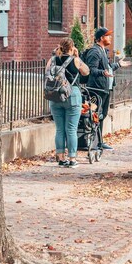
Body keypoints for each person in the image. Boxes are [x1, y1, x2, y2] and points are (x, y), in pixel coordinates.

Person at [83, 27, 131, 151]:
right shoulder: (95, 51)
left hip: (104, 89)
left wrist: (118, 65)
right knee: (95, 115)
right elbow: (91, 70)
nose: (110, 38)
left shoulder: (103, 50)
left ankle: (99, 141)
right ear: (101, 38)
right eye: (107, 36)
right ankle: (94, 142)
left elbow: (107, 68)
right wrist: (102, 73)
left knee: (102, 115)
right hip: (96, 89)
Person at [46, 37, 90, 167]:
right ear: (72, 48)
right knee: (71, 129)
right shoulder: (75, 60)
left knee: (60, 129)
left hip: (55, 96)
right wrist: (76, 56)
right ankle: (72, 159)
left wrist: (55, 54)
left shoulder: (52, 60)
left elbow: (47, 73)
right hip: (72, 95)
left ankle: (61, 158)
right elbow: (86, 71)